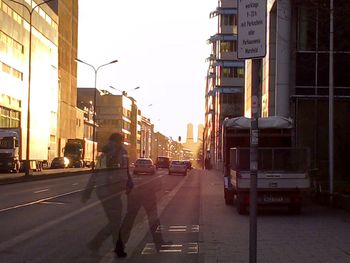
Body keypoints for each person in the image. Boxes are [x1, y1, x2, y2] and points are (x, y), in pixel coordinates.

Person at [82, 132, 132, 258]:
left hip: (111, 190)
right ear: (118, 141)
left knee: (115, 220)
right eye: (121, 141)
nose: (121, 143)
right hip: (108, 191)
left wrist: (128, 184)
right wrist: (88, 191)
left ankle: (97, 243)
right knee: (115, 221)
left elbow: (124, 170)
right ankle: (115, 247)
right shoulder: (109, 152)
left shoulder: (117, 152)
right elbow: (101, 172)